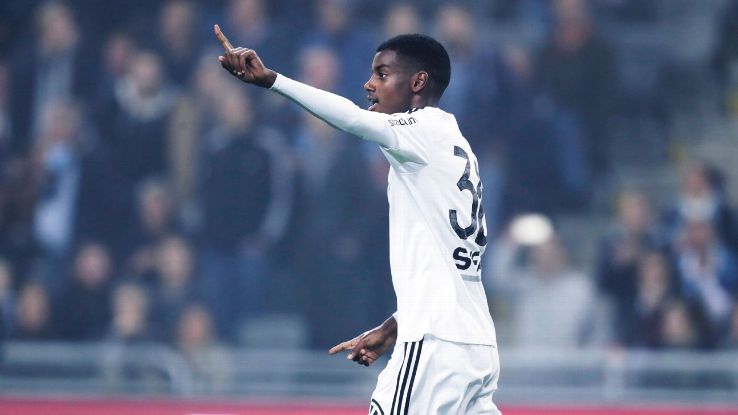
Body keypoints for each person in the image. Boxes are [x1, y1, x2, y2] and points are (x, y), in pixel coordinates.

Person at [214, 25, 500, 414]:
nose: (368, 85)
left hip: (435, 345)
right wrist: (396, 325)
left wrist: (272, 81)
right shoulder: (455, 144)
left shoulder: (421, 129)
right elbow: (447, 271)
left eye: (382, 74)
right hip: (475, 345)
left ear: (418, 82)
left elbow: (351, 119)